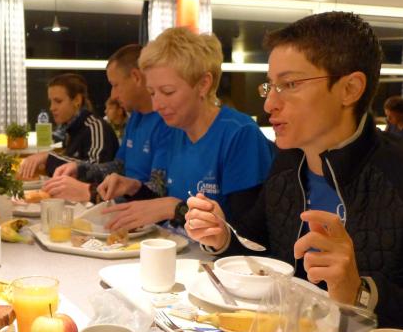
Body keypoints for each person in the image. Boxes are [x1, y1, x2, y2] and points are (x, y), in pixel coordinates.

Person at [185, 12, 403, 332]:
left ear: (350, 89)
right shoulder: (288, 163)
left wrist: (361, 293)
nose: (269, 103)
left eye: (290, 85)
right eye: (270, 85)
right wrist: (223, 238)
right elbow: (263, 256)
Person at [101, 28, 274, 232]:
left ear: (203, 84)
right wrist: (134, 188)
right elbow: (161, 208)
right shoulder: (175, 131)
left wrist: (176, 208)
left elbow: (248, 233)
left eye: (167, 92)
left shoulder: (239, 134)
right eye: (152, 93)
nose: (156, 106)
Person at [45, 44, 172, 203]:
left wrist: (92, 193)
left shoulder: (167, 121)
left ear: (136, 77)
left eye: (115, 85)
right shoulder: (135, 117)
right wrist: (80, 169)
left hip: (139, 213)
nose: (113, 95)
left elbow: (159, 190)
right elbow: (120, 166)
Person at [17, 73, 119, 180]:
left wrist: (48, 157)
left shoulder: (95, 127)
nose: (52, 108)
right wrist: (44, 168)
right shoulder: (71, 130)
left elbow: (97, 169)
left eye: (58, 101)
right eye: (51, 102)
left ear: (77, 100)